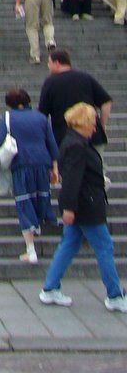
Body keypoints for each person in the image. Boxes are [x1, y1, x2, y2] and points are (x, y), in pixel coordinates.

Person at [39, 103, 127, 311]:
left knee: (69, 244)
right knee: (104, 246)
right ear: (84, 122)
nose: (95, 127)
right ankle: (114, 295)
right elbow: (71, 180)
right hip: (86, 206)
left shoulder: (73, 142)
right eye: (93, 123)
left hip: (82, 203)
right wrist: (68, 207)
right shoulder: (78, 146)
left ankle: (50, 288)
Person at [0, 89, 58, 264]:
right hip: (42, 164)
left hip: (22, 164)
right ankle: (37, 225)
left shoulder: (8, 118)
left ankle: (31, 249)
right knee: (39, 197)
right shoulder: (41, 118)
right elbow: (51, 143)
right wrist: (55, 168)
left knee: (24, 202)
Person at [38, 48, 112, 151]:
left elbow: (42, 114)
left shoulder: (50, 82)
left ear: (57, 63)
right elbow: (106, 102)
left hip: (64, 137)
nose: (48, 66)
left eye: (49, 63)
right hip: (93, 134)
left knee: (69, 166)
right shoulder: (85, 77)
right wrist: (102, 124)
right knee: (96, 165)